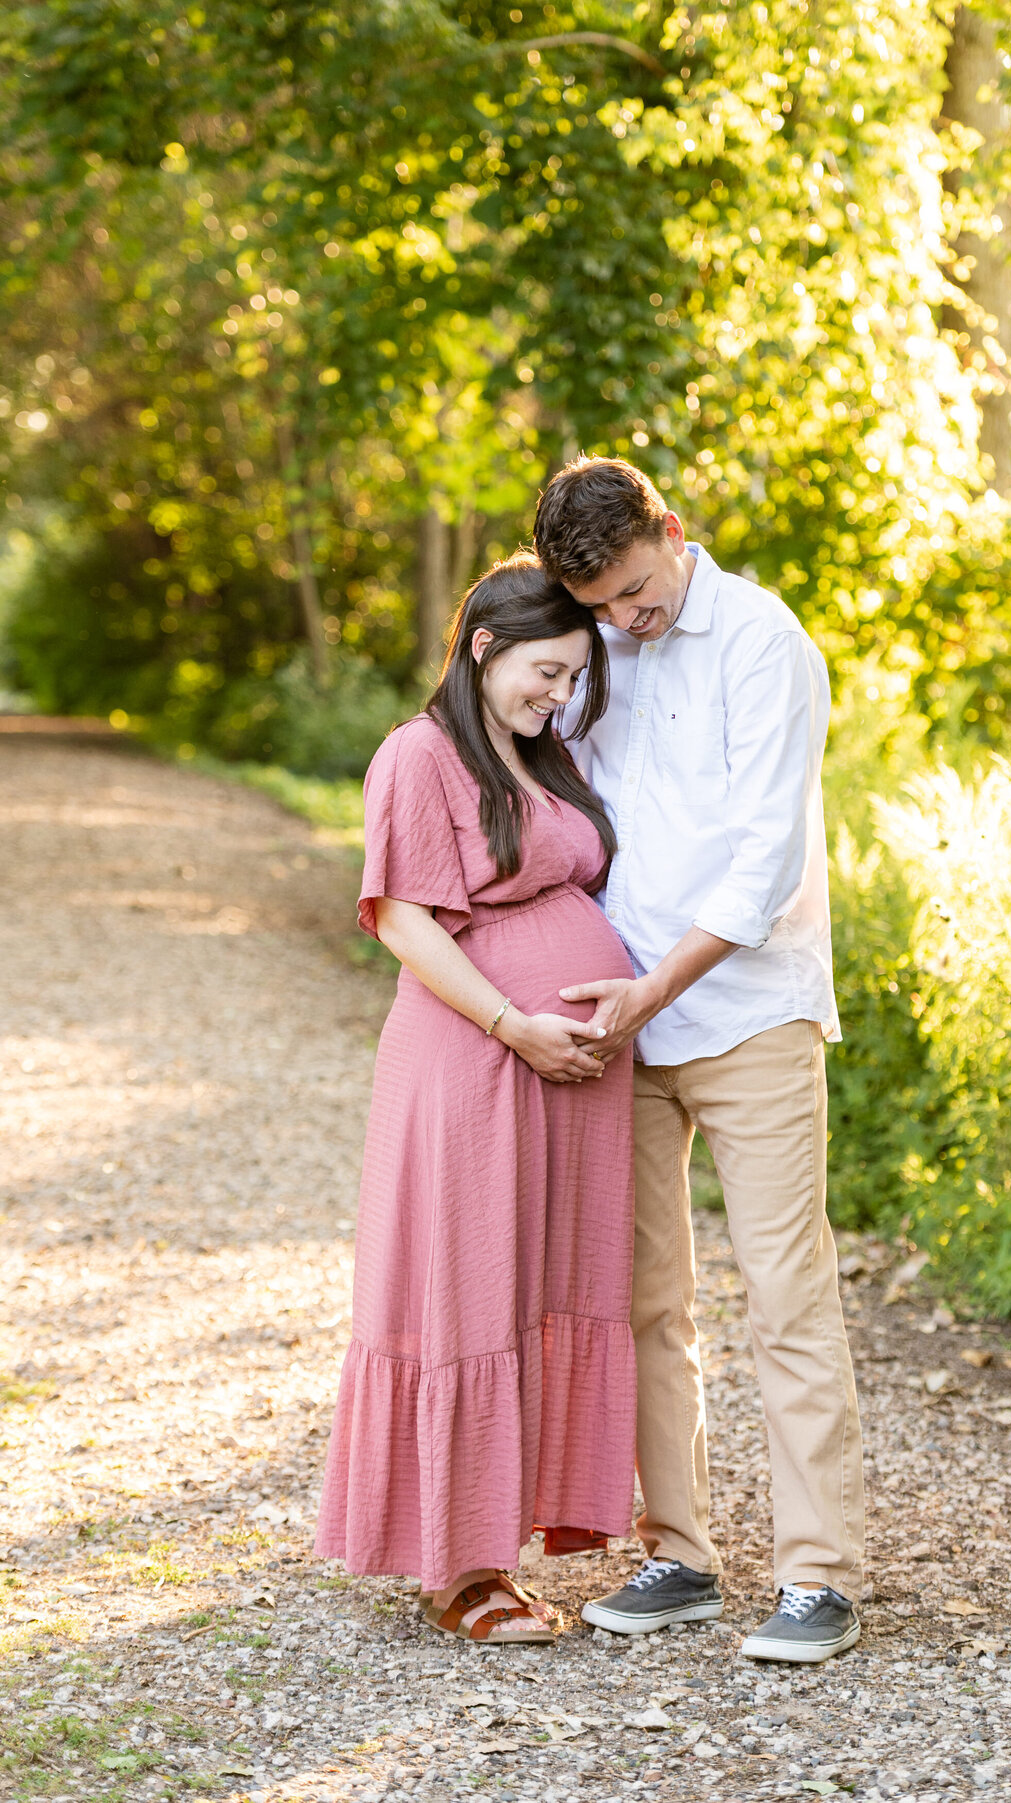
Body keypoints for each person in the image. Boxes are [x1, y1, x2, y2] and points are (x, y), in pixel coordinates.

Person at [534, 457, 865, 1664]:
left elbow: (763, 862)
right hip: (620, 1022)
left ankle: (819, 1577)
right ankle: (678, 1554)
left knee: (785, 1294)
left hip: (749, 1013)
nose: (624, 620)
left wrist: (650, 990)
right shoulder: (596, 647)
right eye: (602, 606)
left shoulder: (766, 644)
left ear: (671, 533)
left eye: (633, 590)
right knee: (644, 1304)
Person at [314, 554, 638, 1644]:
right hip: (476, 1059)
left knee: (539, 1290)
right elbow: (402, 919)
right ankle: (457, 1567)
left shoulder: (542, 756)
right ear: (485, 647)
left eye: (574, 676)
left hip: (564, 1080)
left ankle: (508, 1536)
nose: (560, 693)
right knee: (465, 1292)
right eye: (547, 670)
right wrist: (515, 1025)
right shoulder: (421, 755)